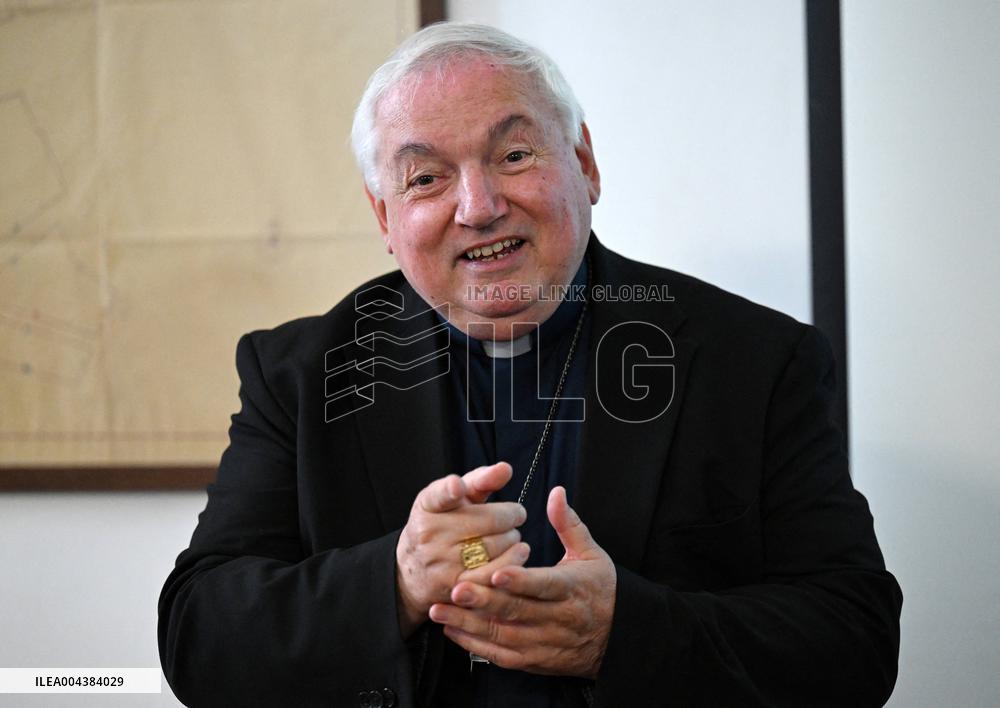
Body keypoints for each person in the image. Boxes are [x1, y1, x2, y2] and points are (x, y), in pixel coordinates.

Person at [158, 22, 902, 708]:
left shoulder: (754, 361)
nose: (478, 207)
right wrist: (397, 581)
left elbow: (855, 642)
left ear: (584, 164)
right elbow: (200, 637)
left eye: (514, 156)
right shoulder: (302, 373)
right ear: (385, 218)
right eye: (426, 179)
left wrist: (628, 634)